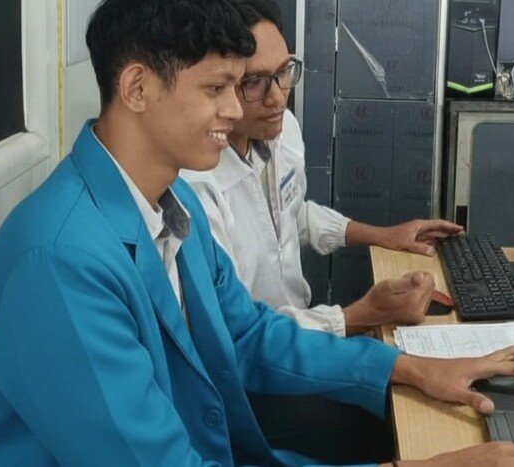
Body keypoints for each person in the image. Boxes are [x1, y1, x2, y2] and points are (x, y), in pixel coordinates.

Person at [0, 0, 514, 465]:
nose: (236, 110)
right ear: (137, 88)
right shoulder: (59, 264)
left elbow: (245, 335)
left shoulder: (171, 205)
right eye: (216, 89)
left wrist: (410, 369)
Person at [180, 0, 463, 337]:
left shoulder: (281, 129)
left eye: (283, 72)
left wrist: (384, 236)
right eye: (254, 82)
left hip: (304, 329)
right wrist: (360, 315)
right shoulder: (197, 188)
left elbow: (290, 213)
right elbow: (237, 336)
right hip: (263, 353)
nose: (277, 97)